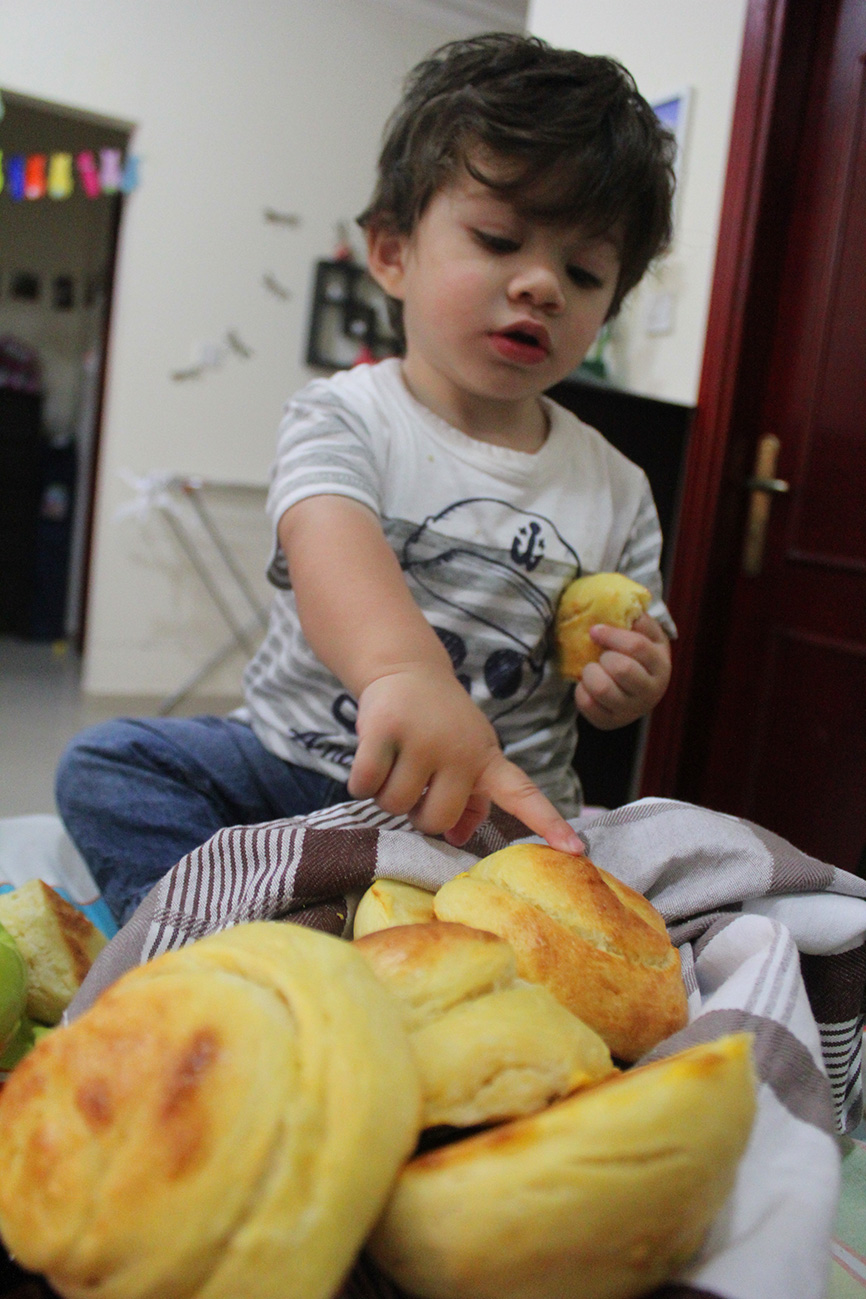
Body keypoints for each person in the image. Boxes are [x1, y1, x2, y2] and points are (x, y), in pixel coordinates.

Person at [56, 33, 677, 926]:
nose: (542, 284)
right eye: (499, 240)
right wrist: (403, 671)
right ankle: (225, 943)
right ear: (391, 252)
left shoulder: (617, 485)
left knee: (607, 875)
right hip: (298, 765)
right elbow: (327, 533)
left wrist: (634, 677)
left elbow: (639, 635)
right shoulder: (344, 414)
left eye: (584, 272)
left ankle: (325, 916)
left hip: (484, 809)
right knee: (107, 765)